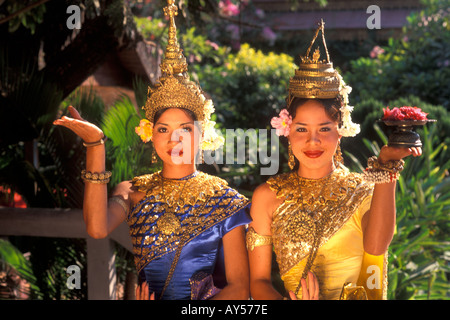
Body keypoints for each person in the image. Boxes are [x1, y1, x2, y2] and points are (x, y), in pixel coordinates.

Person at [54, 0, 251, 300]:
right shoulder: (133, 191)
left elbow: (239, 287)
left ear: (201, 135)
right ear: (150, 134)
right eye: (163, 130)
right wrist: (95, 146)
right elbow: (96, 228)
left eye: (185, 129)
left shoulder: (225, 200)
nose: (174, 140)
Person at [246, 20, 422, 300]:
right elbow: (257, 282)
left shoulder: (362, 189)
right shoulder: (267, 197)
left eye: (324, 129)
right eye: (302, 129)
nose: (312, 141)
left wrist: (386, 168)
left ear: (341, 132)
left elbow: (376, 248)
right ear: (287, 131)